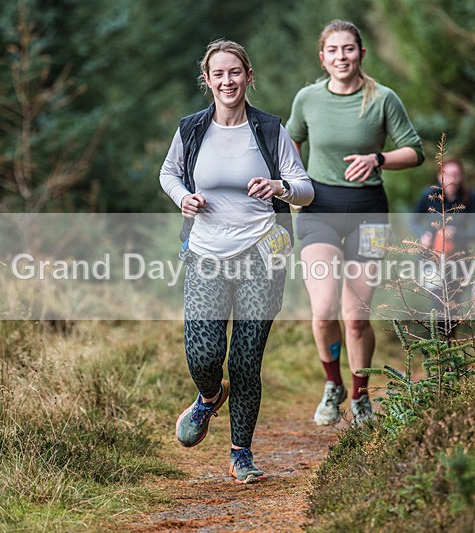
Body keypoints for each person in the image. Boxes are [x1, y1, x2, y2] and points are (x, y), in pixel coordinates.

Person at [159, 39, 314, 484]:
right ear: (206, 81)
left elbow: (305, 188)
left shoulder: (269, 129)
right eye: (218, 74)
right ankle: (209, 396)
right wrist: (182, 197)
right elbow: (168, 173)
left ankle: (241, 454)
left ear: (248, 76)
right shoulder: (191, 129)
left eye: (235, 72)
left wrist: (279, 187)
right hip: (206, 253)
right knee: (203, 353)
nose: (227, 81)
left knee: (247, 361)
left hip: (262, 254)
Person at [286, 20, 424, 426]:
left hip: (368, 212)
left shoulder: (382, 99)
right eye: (333, 50)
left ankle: (361, 396)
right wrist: (293, 185)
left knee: (356, 315)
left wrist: (377, 159)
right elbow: (291, 141)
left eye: (349, 49)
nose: (341, 57)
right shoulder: (307, 99)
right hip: (319, 210)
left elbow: (414, 151)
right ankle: (333, 385)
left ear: (361, 54)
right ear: (322, 57)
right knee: (324, 306)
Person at [411, 158, 475, 334]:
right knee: (437, 300)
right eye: (448, 174)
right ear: (439, 176)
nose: (452, 178)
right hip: (431, 258)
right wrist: (423, 234)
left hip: (459, 259)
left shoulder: (470, 198)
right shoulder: (428, 195)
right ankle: (439, 344)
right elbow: (413, 220)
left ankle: (449, 342)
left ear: (462, 177)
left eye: (456, 174)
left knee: (453, 303)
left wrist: (458, 235)